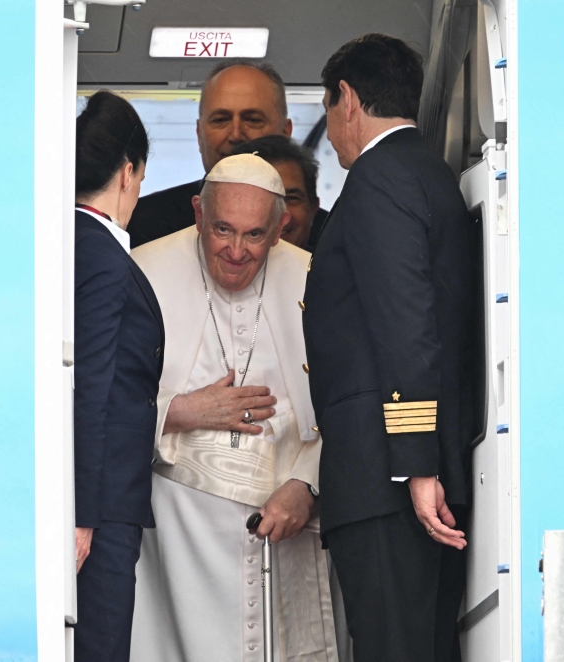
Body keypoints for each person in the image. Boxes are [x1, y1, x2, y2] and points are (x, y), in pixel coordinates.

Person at [302, 34, 482, 662]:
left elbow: (407, 327)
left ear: (346, 99)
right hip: (422, 472)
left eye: (327, 111)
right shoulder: (428, 172)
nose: (331, 130)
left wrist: (414, 462)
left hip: (392, 479)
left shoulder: (379, 179)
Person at [129, 154, 341, 662]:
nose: (236, 251)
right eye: (222, 230)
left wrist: (308, 484)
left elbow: (346, 403)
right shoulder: (142, 270)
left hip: (286, 517)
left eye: (253, 236)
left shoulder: (317, 278)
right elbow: (96, 400)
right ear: (198, 213)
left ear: (280, 228)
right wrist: (180, 411)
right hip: (179, 535)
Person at [72, 90, 164, 662]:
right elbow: (90, 387)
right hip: (99, 510)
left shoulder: (74, 246)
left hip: (99, 502)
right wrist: (80, 516)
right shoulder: (101, 256)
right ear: (129, 171)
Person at [126, 59, 329, 248]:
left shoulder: (329, 237)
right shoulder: (142, 225)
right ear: (199, 134)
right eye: (220, 120)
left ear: (285, 133)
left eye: (253, 119)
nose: (236, 135)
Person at [232, 135, 321, 250]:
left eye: (291, 198)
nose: (278, 213)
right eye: (259, 198)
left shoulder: (335, 267)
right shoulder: (205, 266)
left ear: (313, 208)